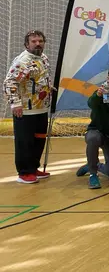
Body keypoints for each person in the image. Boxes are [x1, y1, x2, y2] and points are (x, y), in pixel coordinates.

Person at [4, 30, 53, 184]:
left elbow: (41, 78)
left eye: (40, 41)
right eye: (34, 41)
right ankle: (24, 172)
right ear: (27, 44)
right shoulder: (22, 61)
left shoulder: (43, 58)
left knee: (39, 139)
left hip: (41, 108)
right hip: (25, 109)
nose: (38, 44)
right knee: (24, 141)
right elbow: (10, 83)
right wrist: (15, 104)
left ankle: (33, 167)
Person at [76, 65, 109, 189]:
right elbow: (91, 103)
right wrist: (98, 96)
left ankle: (94, 165)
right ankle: (93, 175)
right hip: (97, 131)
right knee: (92, 139)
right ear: (108, 78)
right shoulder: (101, 91)